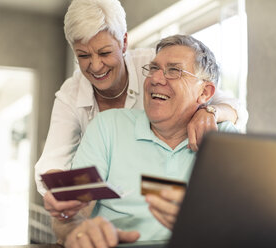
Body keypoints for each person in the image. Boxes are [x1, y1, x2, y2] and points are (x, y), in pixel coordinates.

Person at [35, 0, 248, 219]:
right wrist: (63, 200)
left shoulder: (154, 62)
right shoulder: (78, 101)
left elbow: (231, 105)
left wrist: (209, 112)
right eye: (83, 56)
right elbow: (54, 162)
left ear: (124, 43)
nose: (96, 66)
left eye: (105, 53)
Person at [52, 34, 238, 247]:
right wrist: (76, 230)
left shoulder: (225, 140)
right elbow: (66, 212)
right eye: (153, 69)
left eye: (174, 71)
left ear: (205, 92)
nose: (156, 79)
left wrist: (201, 226)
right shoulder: (106, 126)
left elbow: (245, 225)